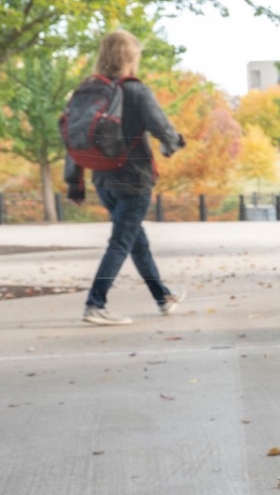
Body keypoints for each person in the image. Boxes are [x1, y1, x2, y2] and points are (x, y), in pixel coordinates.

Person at [65, 29, 186, 326]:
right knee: (121, 241)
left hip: (103, 180)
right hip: (134, 180)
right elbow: (161, 126)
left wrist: (74, 183)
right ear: (131, 58)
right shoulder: (136, 91)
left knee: (136, 241)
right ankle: (96, 303)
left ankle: (162, 297)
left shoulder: (87, 92)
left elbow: (74, 139)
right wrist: (173, 143)